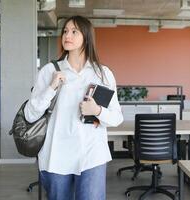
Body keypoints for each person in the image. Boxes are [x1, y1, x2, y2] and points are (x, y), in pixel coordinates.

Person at [24, 15, 123, 200]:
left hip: (91, 155)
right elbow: (30, 115)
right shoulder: (49, 71)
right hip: (56, 155)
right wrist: (51, 87)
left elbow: (117, 118)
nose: (67, 35)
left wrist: (97, 111)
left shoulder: (103, 74)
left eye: (74, 31)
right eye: (65, 31)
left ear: (86, 37)